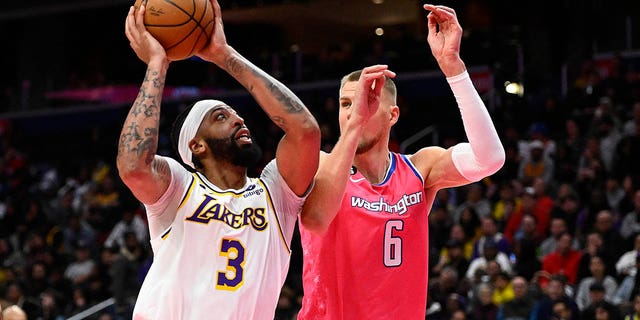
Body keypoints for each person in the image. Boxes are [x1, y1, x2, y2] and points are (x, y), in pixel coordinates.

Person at [297, 4, 505, 319]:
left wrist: (453, 68)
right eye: (345, 103)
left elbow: (489, 159)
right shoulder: (319, 166)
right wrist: (354, 127)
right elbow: (317, 216)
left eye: (368, 100)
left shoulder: (419, 168)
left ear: (393, 114)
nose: (356, 111)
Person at [118, 0, 320, 319]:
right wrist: (157, 64)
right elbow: (133, 167)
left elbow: (305, 132)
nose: (240, 121)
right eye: (221, 117)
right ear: (196, 145)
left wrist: (224, 56)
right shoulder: (179, 187)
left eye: (238, 115)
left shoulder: (275, 194)